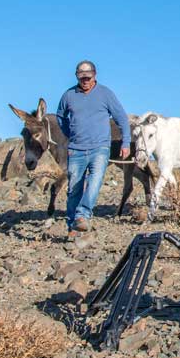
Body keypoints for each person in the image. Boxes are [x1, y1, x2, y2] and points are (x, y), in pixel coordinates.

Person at [56, 60, 130, 234]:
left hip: (100, 148)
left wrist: (126, 142)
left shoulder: (105, 94)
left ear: (95, 75)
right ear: (77, 77)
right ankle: (72, 224)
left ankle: (83, 215)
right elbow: (61, 117)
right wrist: (71, 134)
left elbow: (122, 118)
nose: (85, 81)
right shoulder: (69, 95)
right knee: (74, 188)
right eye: (81, 78)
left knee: (94, 182)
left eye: (88, 77)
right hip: (76, 149)